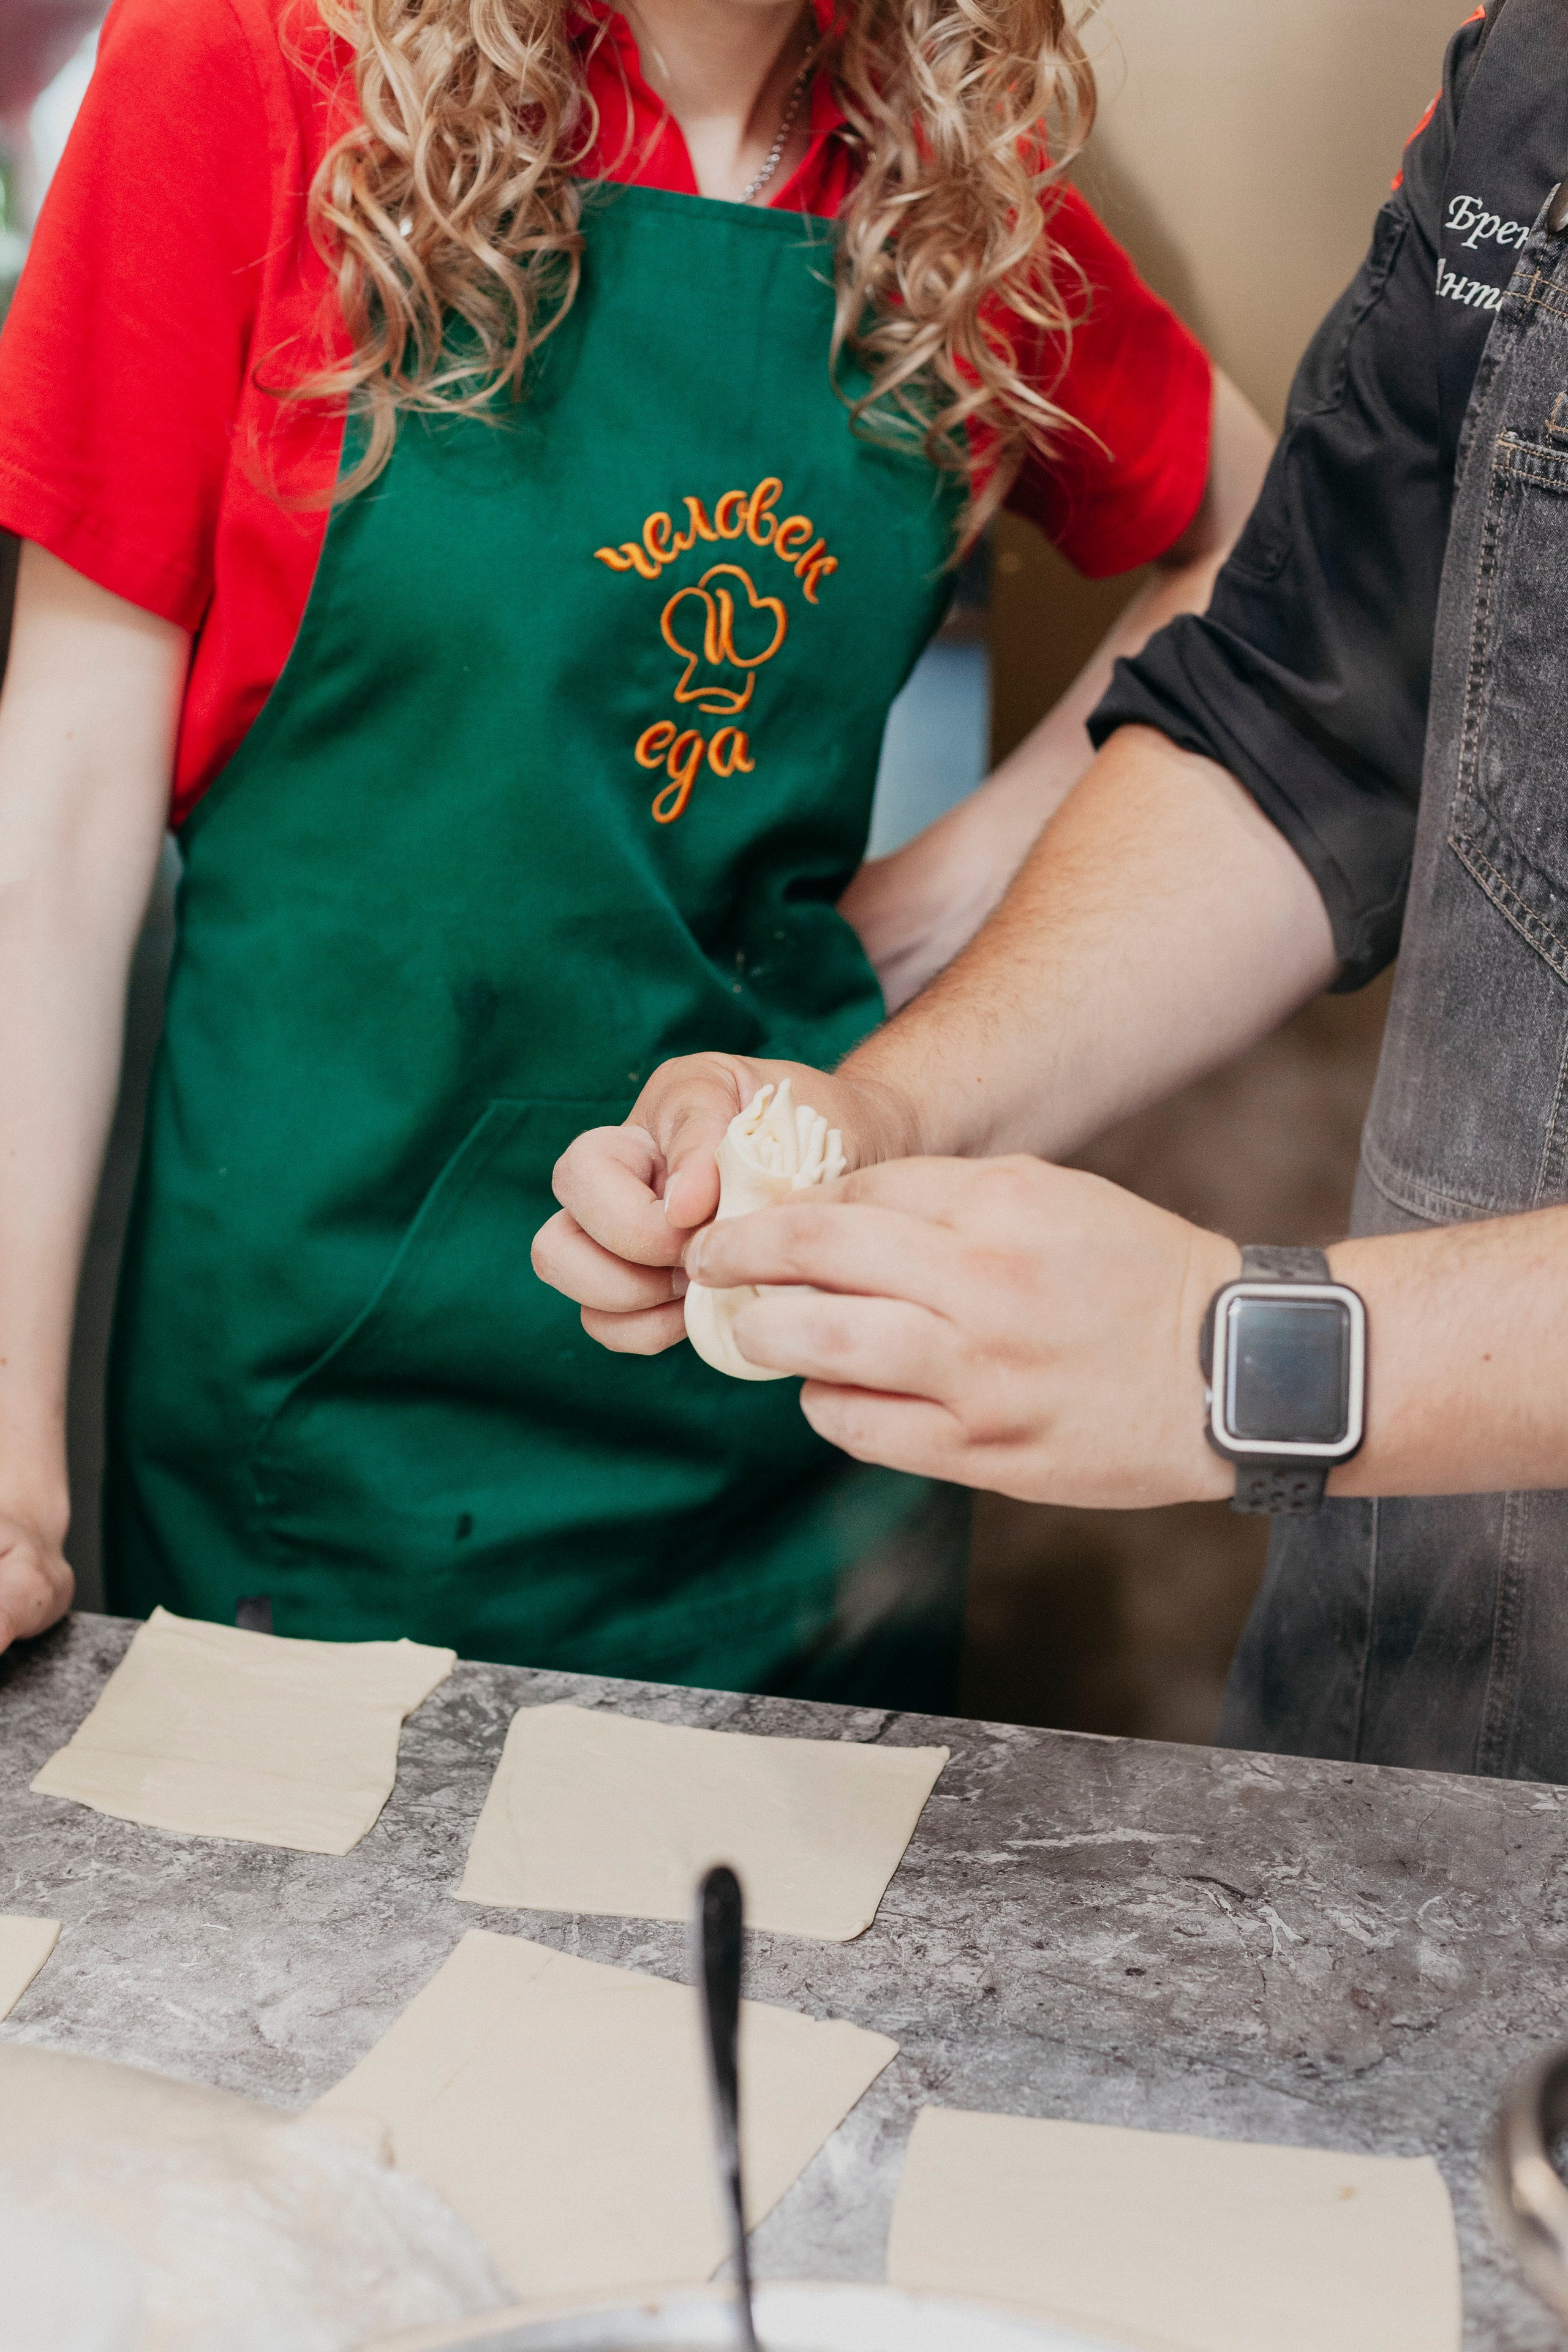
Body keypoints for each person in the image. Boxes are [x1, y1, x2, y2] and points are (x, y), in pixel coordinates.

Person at [0, 0, 1273, 1697]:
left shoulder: (946, 176)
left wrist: (936, 917)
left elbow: (1263, 561)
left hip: (786, 1388)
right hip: (317, 1404)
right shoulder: (250, 65)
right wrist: (6, 1439)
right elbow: (59, 825)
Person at [541, 0, 1568, 1779]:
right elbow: (1297, 719)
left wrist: (1223, 1350)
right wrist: (892, 1099)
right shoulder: (1536, 81)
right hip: (1413, 1665)